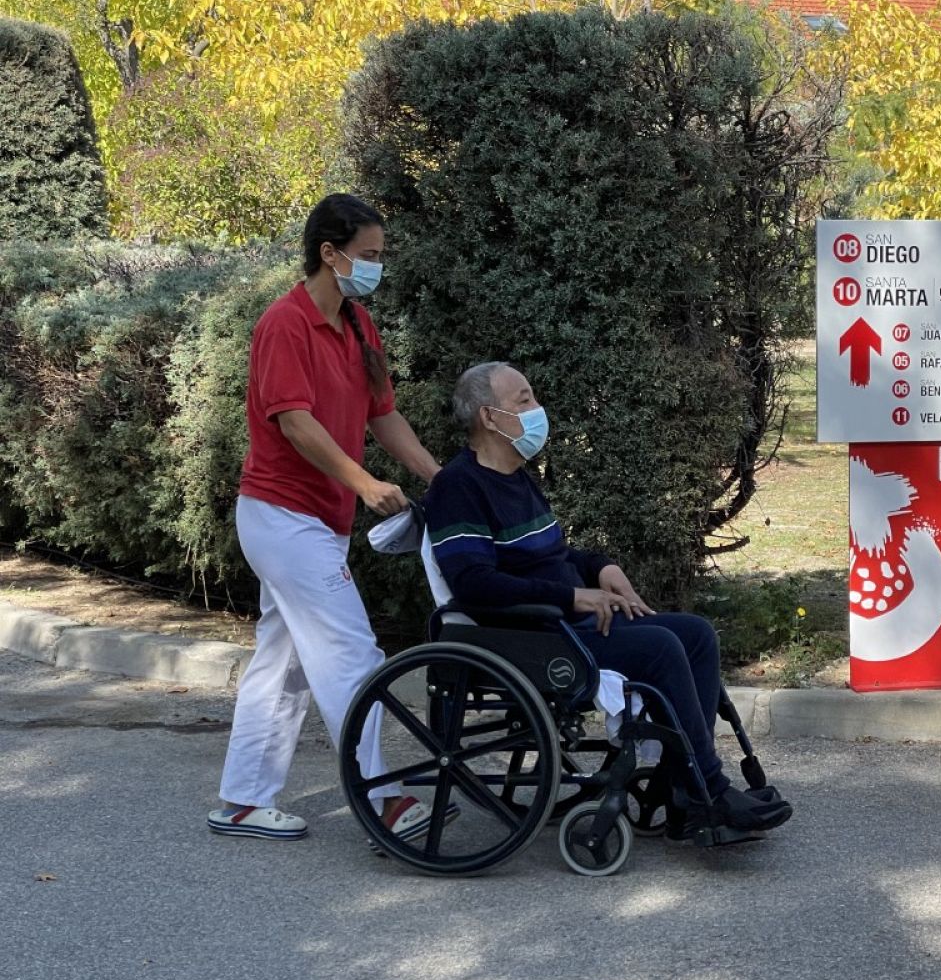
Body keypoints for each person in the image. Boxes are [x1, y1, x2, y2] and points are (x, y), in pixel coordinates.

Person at [423, 361, 792, 839]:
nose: (538, 409)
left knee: (695, 634)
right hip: (532, 635)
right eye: (524, 400)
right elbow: (474, 584)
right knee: (660, 647)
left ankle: (685, 787)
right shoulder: (458, 486)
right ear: (490, 418)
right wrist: (573, 595)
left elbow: (553, 555)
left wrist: (601, 567)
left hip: (563, 623)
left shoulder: (516, 476)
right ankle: (710, 791)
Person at [210, 193, 445, 842]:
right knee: (351, 652)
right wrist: (366, 482)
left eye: (379, 257)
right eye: (367, 256)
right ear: (329, 254)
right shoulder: (284, 325)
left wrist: (439, 476)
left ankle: (241, 802)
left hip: (316, 520)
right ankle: (386, 801)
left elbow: (383, 414)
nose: (375, 267)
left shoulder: (358, 325)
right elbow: (295, 423)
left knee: (282, 664)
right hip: (281, 518)